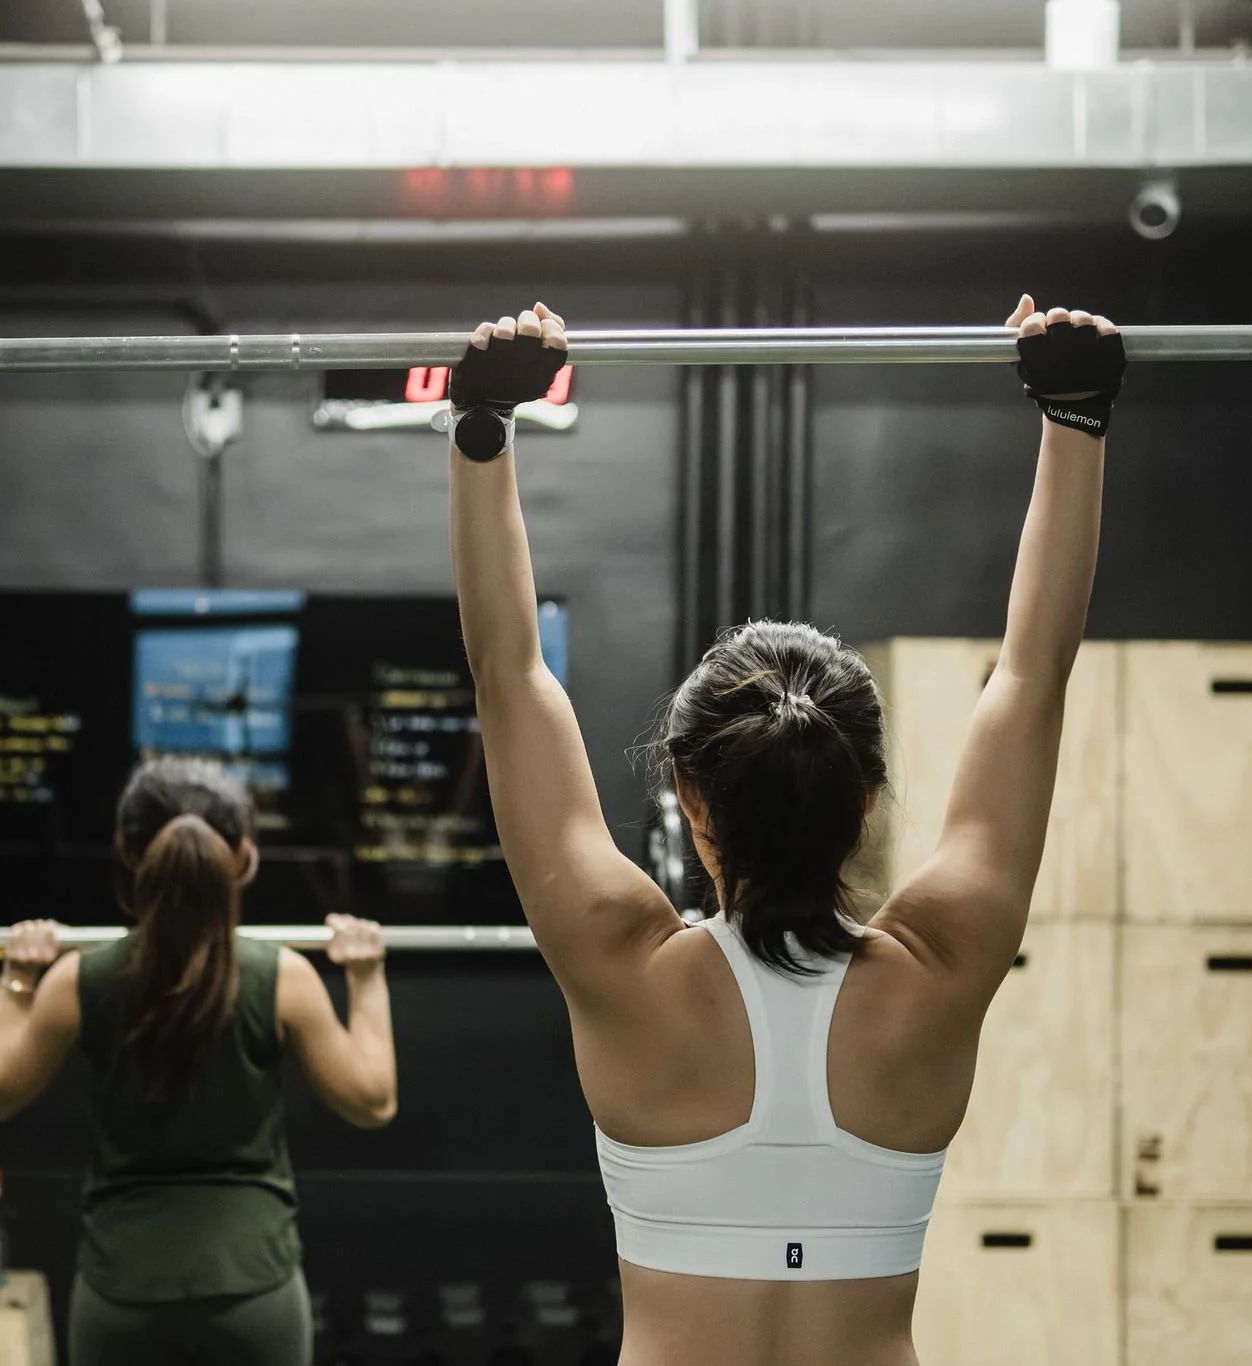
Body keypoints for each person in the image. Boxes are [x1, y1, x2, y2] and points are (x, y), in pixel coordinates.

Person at [445, 296, 1119, 1365]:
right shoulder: (939, 969)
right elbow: (1030, 681)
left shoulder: (621, 967)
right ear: (864, 796)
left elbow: (509, 675)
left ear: (688, 797)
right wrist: (1073, 421)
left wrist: (481, 425)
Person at [0, 756, 399, 1366]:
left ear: (127, 851)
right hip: (254, 1294)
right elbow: (373, 1101)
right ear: (243, 858)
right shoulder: (285, 979)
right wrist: (366, 976)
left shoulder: (76, 980)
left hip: (121, 1294)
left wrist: (17, 975)